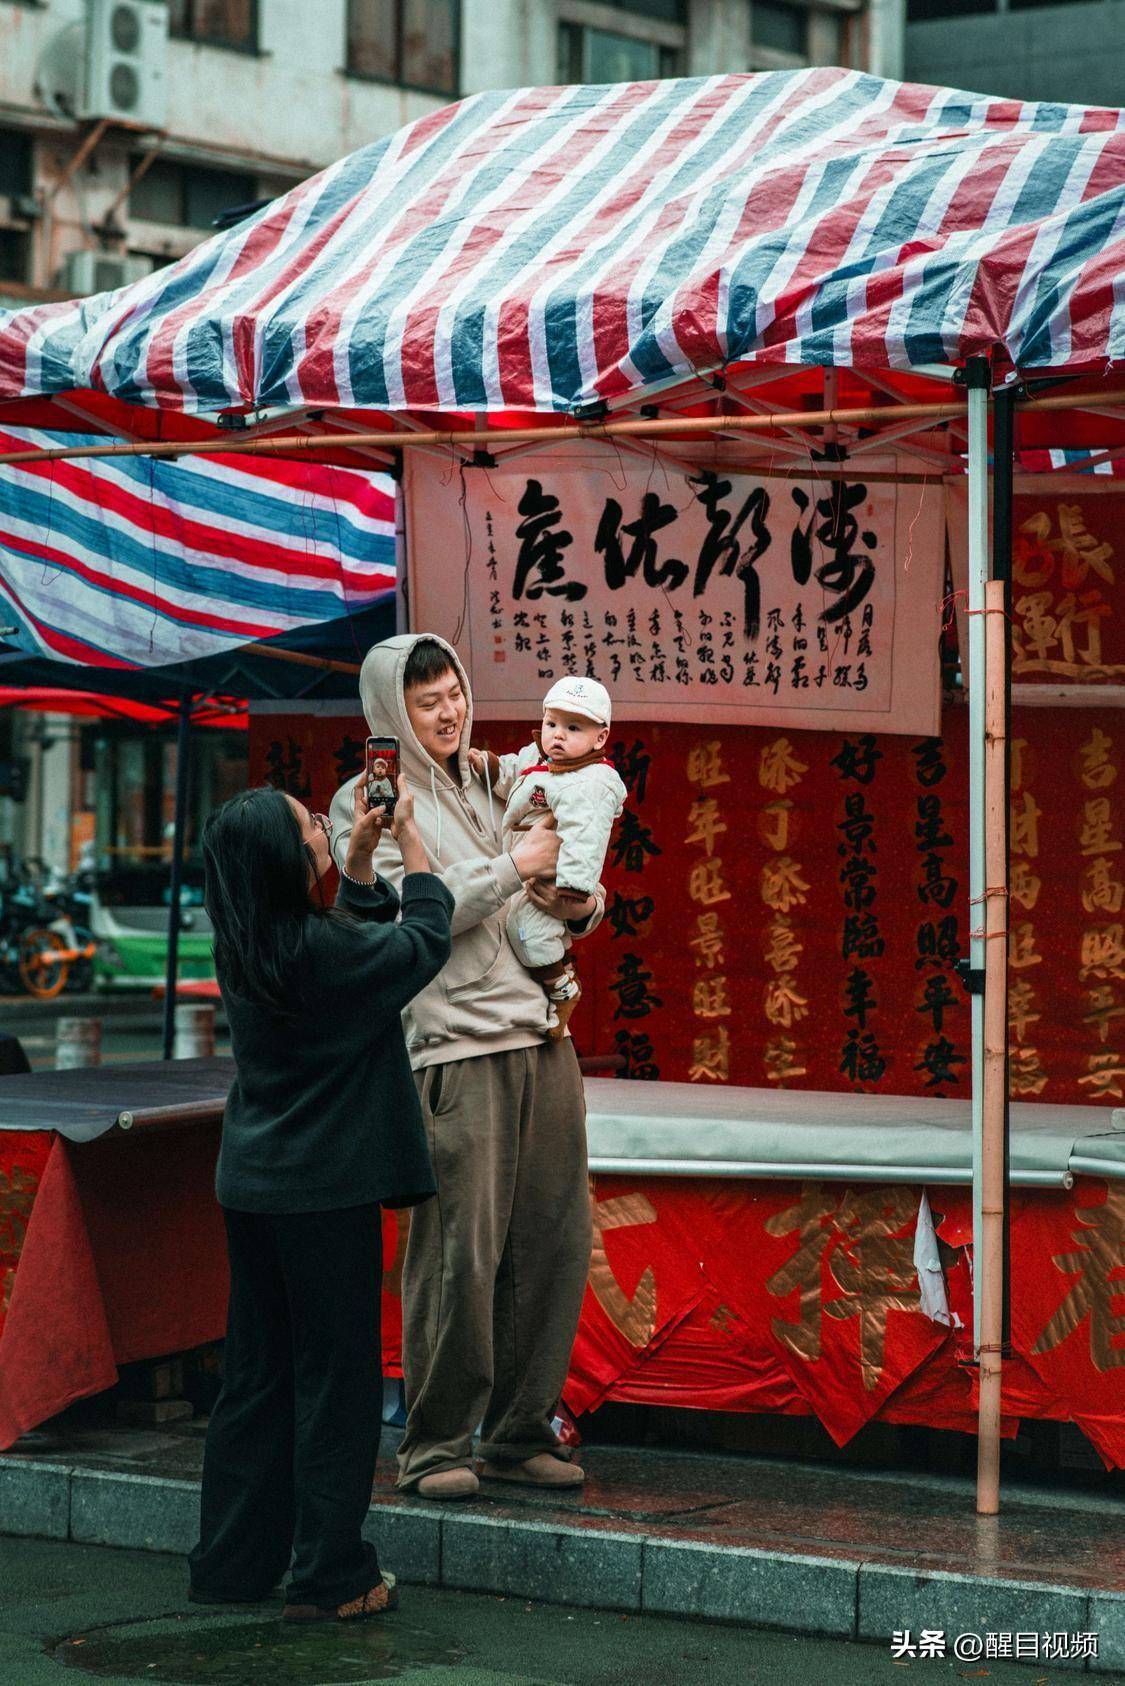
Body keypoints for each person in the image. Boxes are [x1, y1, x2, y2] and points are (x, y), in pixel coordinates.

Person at [328, 634, 602, 1501]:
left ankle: (521, 1432)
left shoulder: (499, 777)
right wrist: (512, 869)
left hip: (543, 1034)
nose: (447, 713)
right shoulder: (362, 806)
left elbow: (566, 869)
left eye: (453, 693)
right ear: (389, 715)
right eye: (425, 703)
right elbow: (404, 920)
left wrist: (580, 901)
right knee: (459, 1253)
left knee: (552, 1242)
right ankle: (435, 1444)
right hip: (455, 1046)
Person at [187, 774, 453, 1619]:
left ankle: (230, 1565)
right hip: (323, 1191)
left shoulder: (253, 941)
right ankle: (333, 1574)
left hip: (255, 1183)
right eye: (312, 826)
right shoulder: (316, 951)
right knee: (335, 1384)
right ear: (287, 860)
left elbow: (350, 941)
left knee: (258, 1377)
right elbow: (419, 945)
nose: (321, 828)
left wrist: (361, 861)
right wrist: (412, 843)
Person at [470, 675, 625, 1040]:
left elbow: (587, 837)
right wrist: (490, 766)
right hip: (520, 870)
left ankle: (560, 986)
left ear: (599, 737)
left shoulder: (591, 782)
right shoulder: (538, 756)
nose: (558, 734)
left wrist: (571, 888)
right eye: (552, 723)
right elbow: (515, 773)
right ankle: (558, 981)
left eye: (573, 727)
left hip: (553, 878)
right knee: (521, 926)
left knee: (528, 931)